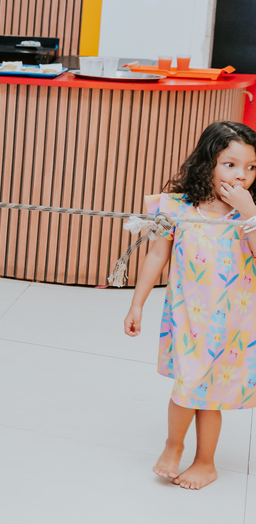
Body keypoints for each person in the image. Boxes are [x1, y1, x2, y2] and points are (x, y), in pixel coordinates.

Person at [124, 121, 256, 490]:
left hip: (233, 323)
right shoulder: (178, 207)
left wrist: (249, 213)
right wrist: (137, 304)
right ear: (207, 162)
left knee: (208, 395)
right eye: (230, 164)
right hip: (187, 318)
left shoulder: (250, 214)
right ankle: (175, 445)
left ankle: (204, 462)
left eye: (250, 167)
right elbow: (157, 255)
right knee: (189, 383)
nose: (241, 175)